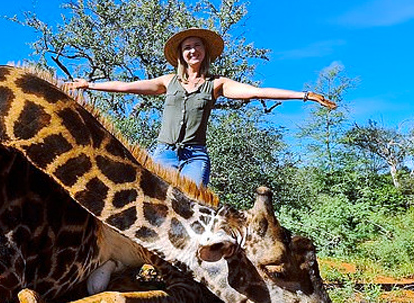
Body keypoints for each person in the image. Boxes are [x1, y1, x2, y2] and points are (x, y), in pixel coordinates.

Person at [66, 28, 336, 186]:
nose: (192, 51)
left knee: (195, 204)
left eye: (197, 46)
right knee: (158, 202)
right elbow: (126, 86)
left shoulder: (217, 84)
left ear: (204, 51)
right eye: (187, 47)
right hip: (164, 154)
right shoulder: (167, 81)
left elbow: (257, 92)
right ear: (181, 54)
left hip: (195, 156)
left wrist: (304, 95)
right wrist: (89, 85)